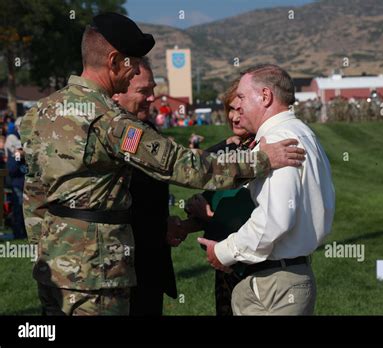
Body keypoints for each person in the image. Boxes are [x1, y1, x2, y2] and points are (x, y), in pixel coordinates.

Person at [20, 13, 305, 316]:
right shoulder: (110, 121)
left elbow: (34, 194)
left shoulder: (39, 114)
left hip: (52, 266)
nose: (134, 76)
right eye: (131, 65)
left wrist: (44, 249)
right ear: (114, 61)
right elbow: (182, 166)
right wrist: (262, 160)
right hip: (96, 270)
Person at [198, 64, 335, 315]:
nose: (236, 106)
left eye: (241, 96)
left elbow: (275, 219)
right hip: (284, 276)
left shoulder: (277, 138)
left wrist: (223, 252)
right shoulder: (302, 132)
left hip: (273, 283)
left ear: (265, 96)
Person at [170, 79, 257, 315]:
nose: (234, 117)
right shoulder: (229, 151)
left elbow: (253, 219)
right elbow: (212, 199)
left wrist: (210, 218)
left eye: (240, 109)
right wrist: (186, 224)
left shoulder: (262, 153)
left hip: (252, 269)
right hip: (225, 266)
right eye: (230, 109)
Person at [112, 57, 177, 315]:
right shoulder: (120, 132)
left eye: (152, 90)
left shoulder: (145, 128)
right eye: (143, 91)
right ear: (116, 94)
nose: (152, 98)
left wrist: (164, 221)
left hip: (150, 262)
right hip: (125, 267)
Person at [6, 117, 27, 239]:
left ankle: (24, 233)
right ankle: (19, 233)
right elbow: (13, 169)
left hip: (27, 184)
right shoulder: (13, 140)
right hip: (18, 183)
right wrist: (19, 156)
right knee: (18, 210)